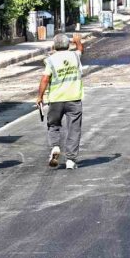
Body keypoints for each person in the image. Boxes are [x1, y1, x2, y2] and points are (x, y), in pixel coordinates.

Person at [35, 33, 85, 170]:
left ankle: (55, 146)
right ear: (68, 45)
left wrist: (40, 96)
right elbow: (80, 50)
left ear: (54, 46)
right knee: (74, 129)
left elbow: (45, 79)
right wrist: (77, 41)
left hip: (56, 99)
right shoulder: (75, 56)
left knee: (53, 125)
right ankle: (71, 160)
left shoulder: (51, 60)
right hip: (74, 98)